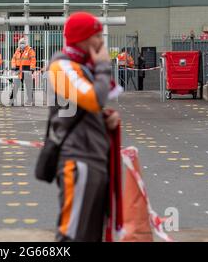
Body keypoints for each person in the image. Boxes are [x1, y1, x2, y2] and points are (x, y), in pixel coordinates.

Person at [46, 12, 120, 242]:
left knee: (90, 235)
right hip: (78, 159)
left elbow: (87, 106)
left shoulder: (82, 66)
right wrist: (104, 67)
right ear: (83, 38)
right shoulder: (62, 66)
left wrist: (104, 118)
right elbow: (94, 99)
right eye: (97, 35)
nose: (101, 42)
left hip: (93, 158)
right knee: (72, 234)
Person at [10, 38, 37, 106]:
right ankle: (11, 100)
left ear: (26, 44)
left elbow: (33, 60)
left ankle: (30, 100)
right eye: (21, 43)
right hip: (19, 72)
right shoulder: (17, 51)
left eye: (23, 43)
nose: (22, 44)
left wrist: (32, 69)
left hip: (27, 71)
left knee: (28, 87)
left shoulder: (30, 50)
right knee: (15, 86)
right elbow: (13, 59)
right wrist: (13, 66)